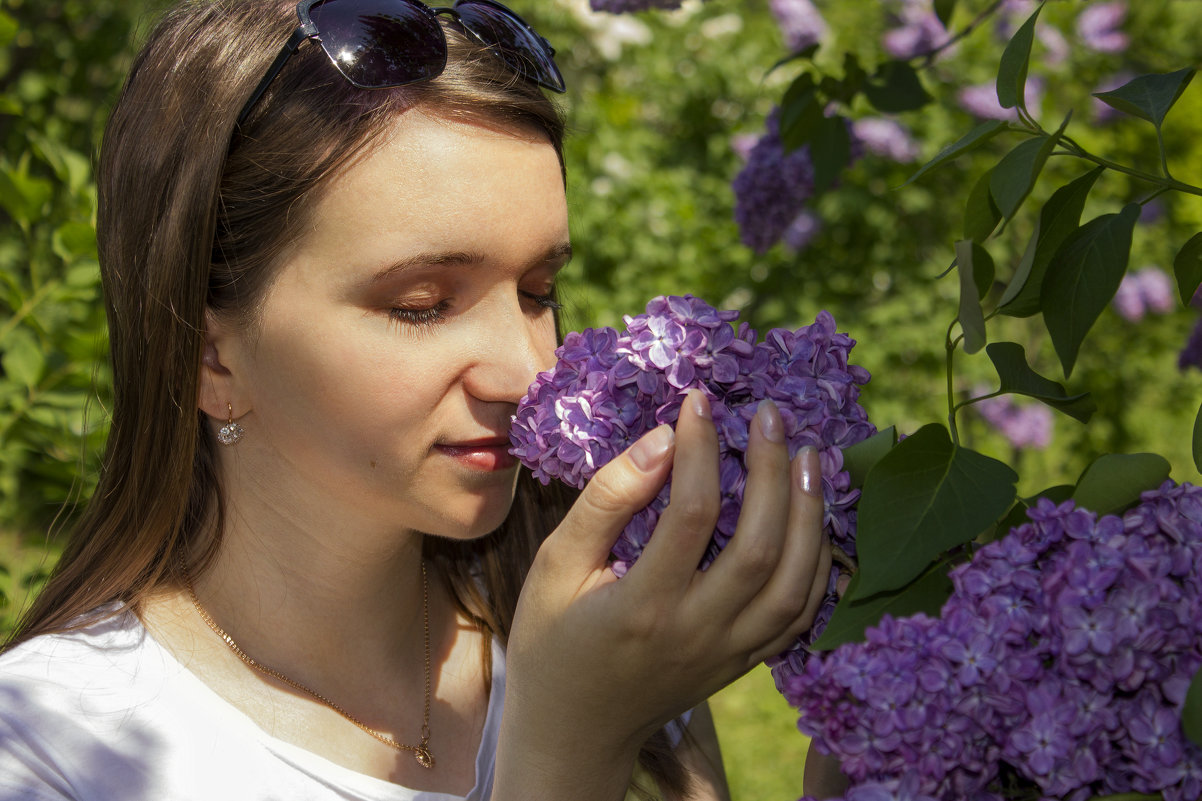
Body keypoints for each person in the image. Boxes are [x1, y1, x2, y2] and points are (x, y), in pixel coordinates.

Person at [0, 1, 836, 799]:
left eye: (539, 290)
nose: (524, 369)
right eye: (422, 304)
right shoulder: (53, 748)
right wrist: (571, 748)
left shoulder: (619, 639)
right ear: (210, 356)